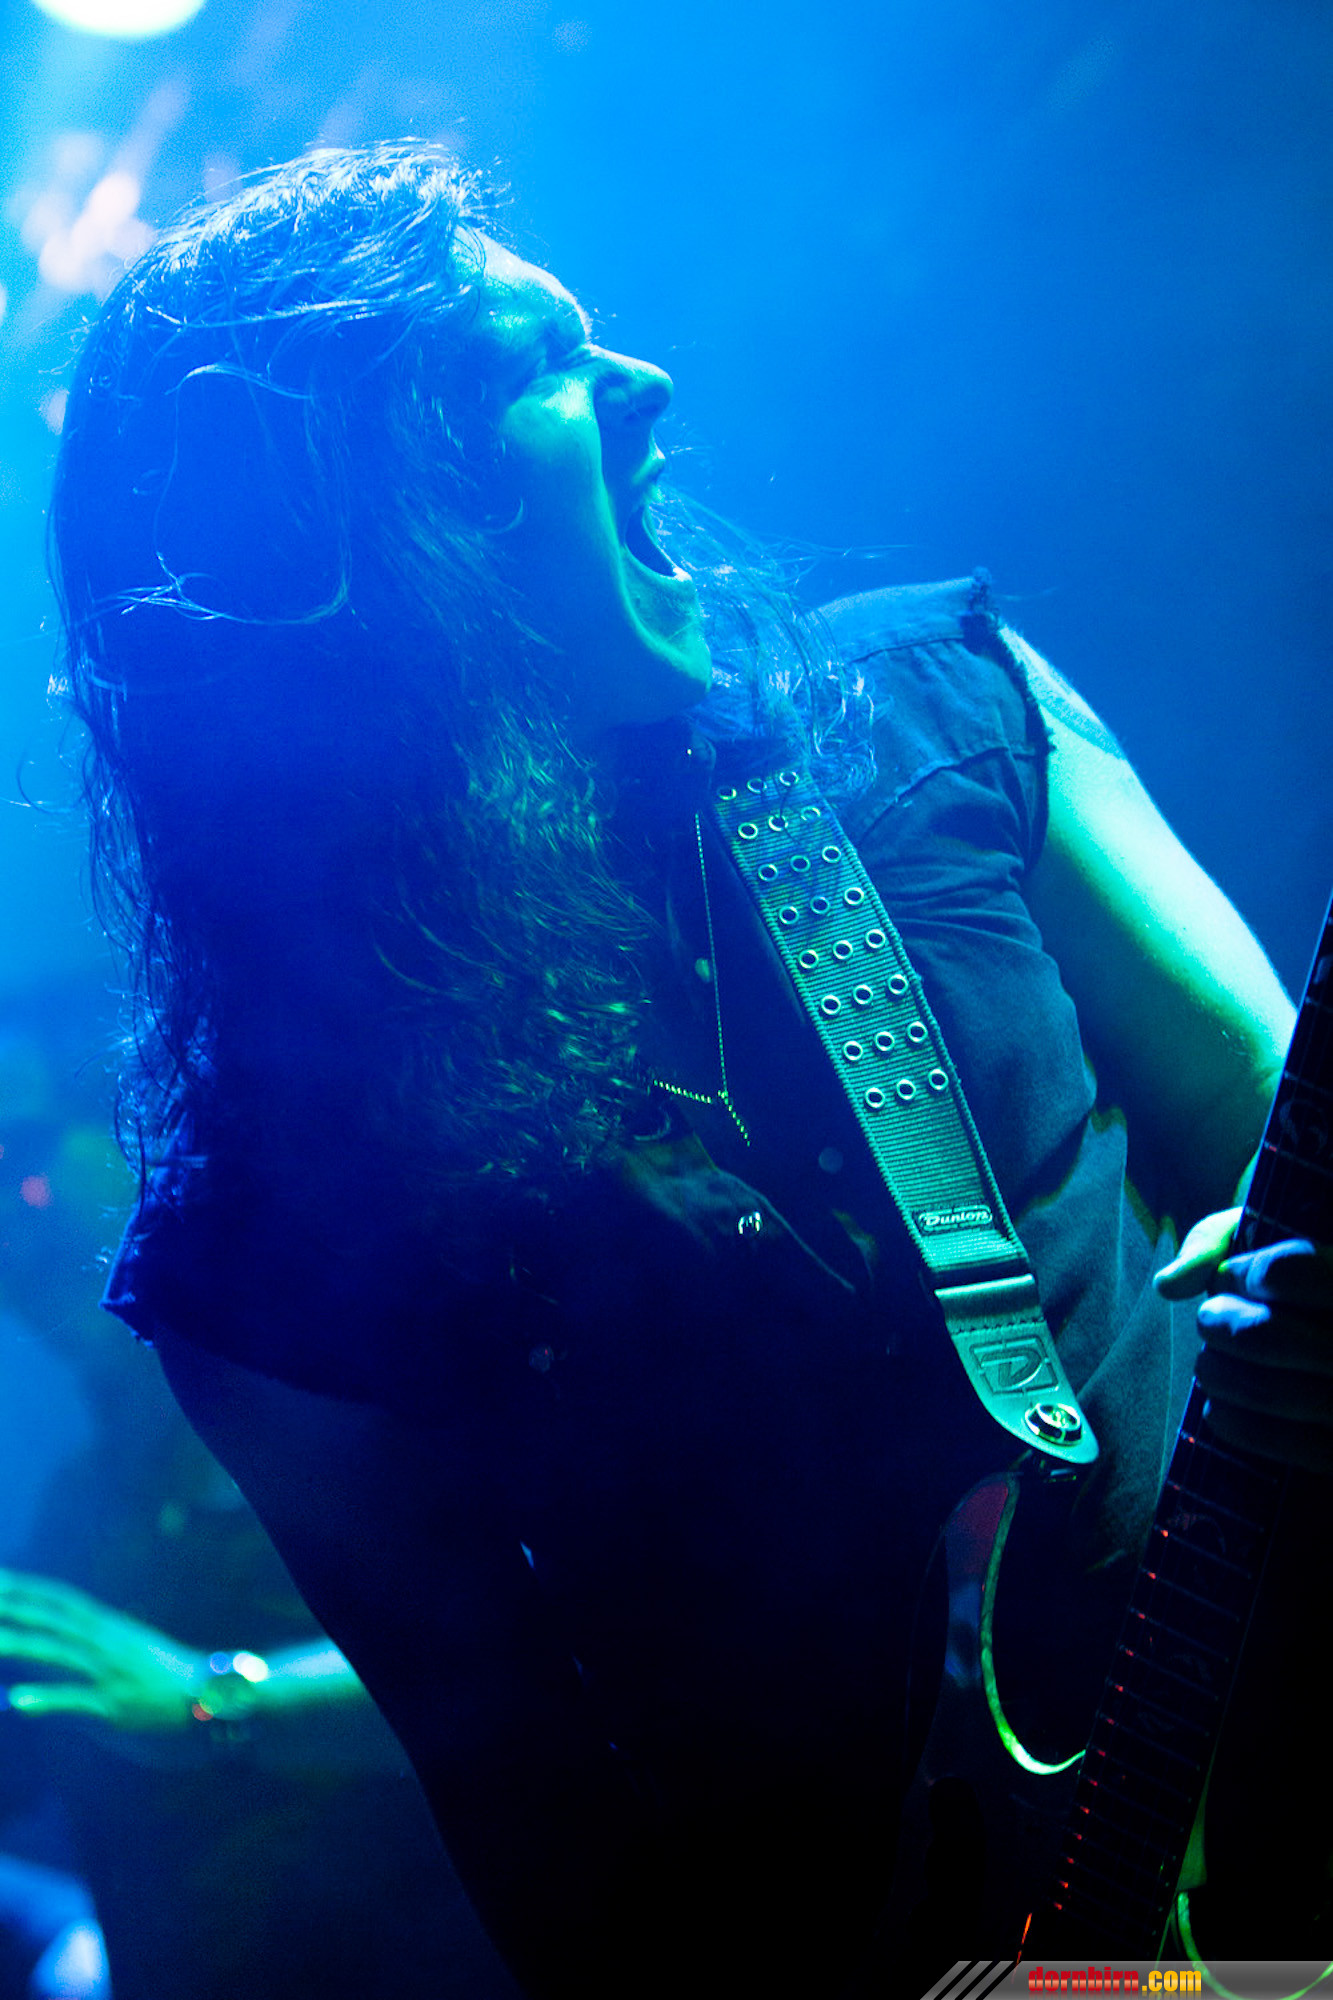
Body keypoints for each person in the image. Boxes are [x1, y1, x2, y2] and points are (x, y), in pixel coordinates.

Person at [48, 142, 1331, 1995]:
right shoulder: (264, 1229)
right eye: (539, 367)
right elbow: (535, 1815)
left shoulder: (933, 710)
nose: (645, 385)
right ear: (372, 532)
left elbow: (1275, 1140)